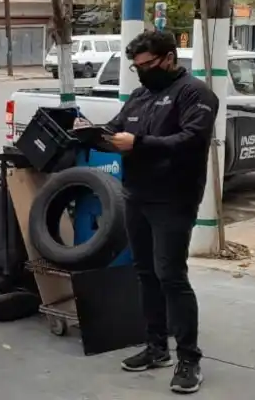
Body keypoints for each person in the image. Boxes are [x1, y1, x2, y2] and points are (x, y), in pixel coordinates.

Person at [104, 30, 218, 395]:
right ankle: (156, 348)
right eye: (136, 67)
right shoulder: (140, 96)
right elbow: (116, 127)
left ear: (169, 58)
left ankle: (189, 359)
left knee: (171, 275)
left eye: (147, 65)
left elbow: (191, 140)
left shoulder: (195, 94)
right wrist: (94, 133)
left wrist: (138, 144)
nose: (141, 73)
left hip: (173, 198)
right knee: (146, 273)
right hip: (137, 194)